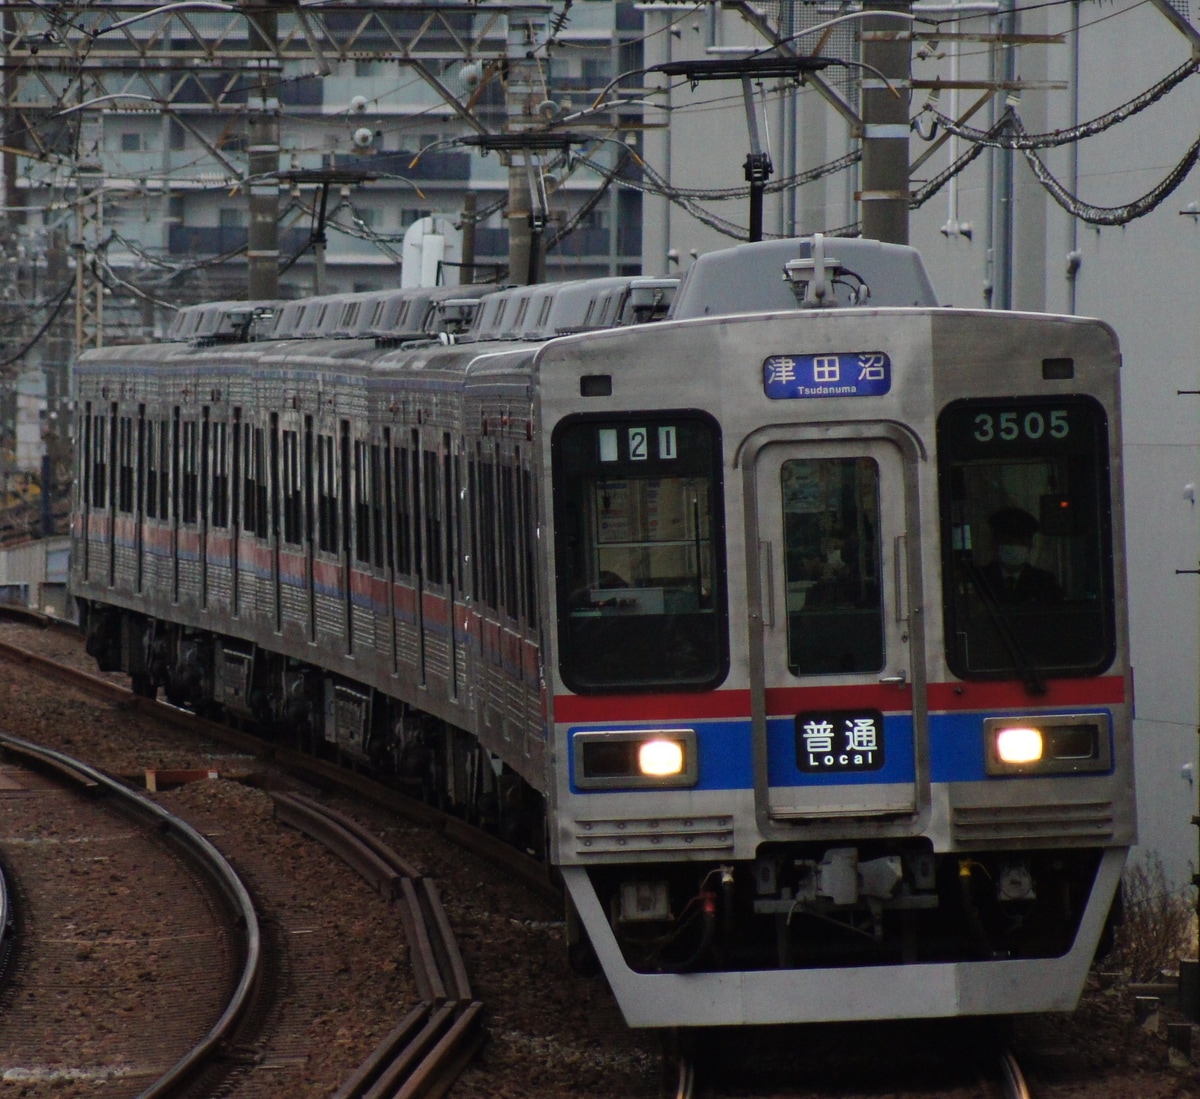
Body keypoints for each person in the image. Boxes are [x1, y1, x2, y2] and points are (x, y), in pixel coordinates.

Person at [979, 506, 1063, 604]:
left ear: (1030, 545)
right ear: (994, 543)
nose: (1014, 547)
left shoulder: (1044, 581)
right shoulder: (980, 579)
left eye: (1021, 542)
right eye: (1008, 542)